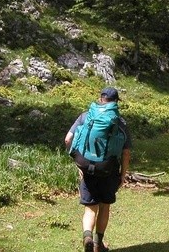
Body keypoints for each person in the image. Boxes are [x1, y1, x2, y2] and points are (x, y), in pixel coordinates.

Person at [65, 87, 132, 252]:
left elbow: (68, 139)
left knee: (90, 208)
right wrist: (122, 175)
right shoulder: (120, 122)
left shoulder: (86, 116)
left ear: (100, 99)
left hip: (87, 167)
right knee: (104, 206)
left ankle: (87, 235)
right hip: (109, 170)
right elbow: (126, 152)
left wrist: (78, 163)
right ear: (116, 102)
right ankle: (97, 244)